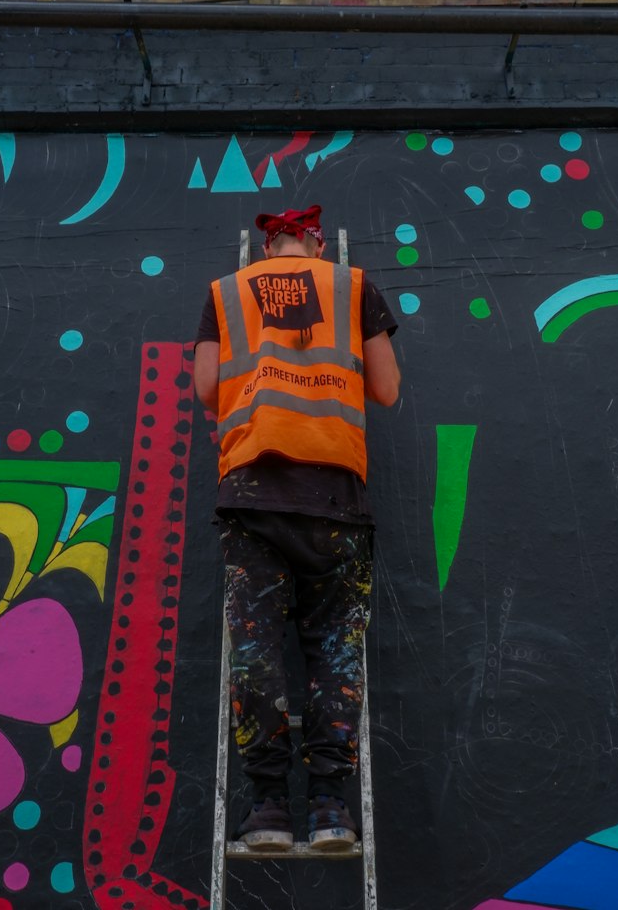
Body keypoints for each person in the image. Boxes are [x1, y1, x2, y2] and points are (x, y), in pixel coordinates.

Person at [194, 204, 400, 852]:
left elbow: (205, 389)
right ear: (315, 241)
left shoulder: (225, 294)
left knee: (257, 655)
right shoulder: (353, 285)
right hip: (336, 499)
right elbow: (387, 390)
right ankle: (333, 808)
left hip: (252, 495)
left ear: (266, 243)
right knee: (335, 656)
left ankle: (269, 811)